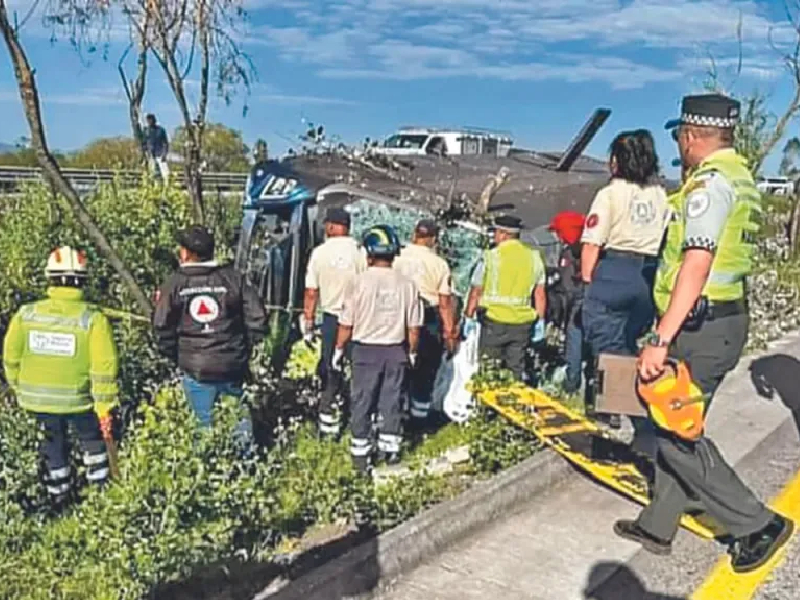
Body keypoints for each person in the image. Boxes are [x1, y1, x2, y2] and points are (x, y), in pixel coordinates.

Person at [614, 93, 793, 574]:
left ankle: (756, 524)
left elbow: (698, 261)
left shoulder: (710, 186)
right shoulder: (741, 177)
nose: (679, 145)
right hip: (721, 318)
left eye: (679, 136)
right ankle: (659, 522)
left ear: (692, 136)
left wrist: (660, 339)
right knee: (677, 423)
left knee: (673, 431)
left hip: (701, 325)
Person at [3, 246, 119, 510]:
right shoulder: (93, 320)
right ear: (83, 280)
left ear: (49, 278)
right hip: (80, 402)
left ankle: (59, 501)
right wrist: (104, 410)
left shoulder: (26, 315)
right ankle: (99, 498)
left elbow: (11, 357)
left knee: (52, 449)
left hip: (35, 402)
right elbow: (104, 370)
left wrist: (19, 387)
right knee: (92, 444)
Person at [580, 129, 670, 438]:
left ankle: (614, 413)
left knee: (606, 342)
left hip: (615, 268)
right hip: (647, 274)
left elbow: (592, 244)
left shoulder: (610, 194)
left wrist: (588, 283)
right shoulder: (660, 195)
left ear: (617, 161)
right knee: (629, 340)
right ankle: (636, 404)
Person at [152, 225, 268, 436]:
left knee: (203, 425)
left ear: (185, 253)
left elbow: (161, 327)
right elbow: (258, 319)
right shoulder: (234, 278)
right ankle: (246, 464)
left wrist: (177, 356)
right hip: (232, 365)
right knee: (239, 421)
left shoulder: (174, 284)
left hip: (196, 369)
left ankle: (209, 463)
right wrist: (243, 349)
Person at [333, 224, 422, 472]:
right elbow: (413, 327)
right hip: (396, 350)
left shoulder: (358, 282)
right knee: (391, 400)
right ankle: (390, 450)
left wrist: (339, 350)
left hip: (365, 351)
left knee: (362, 401)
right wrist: (412, 351)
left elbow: (346, 323)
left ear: (369, 253)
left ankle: (361, 456)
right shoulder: (408, 284)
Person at [302, 207, 367, 436]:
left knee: (331, 369)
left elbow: (311, 292)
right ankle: (360, 417)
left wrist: (308, 323)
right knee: (358, 368)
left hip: (332, 319)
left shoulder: (319, 253)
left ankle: (329, 423)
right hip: (359, 319)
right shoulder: (360, 251)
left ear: (330, 226)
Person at [464, 215, 546, 382]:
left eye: (495, 232)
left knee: (489, 370)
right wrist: (540, 321)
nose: (494, 236)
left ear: (504, 234)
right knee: (515, 371)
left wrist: (468, 316)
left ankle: (488, 407)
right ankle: (511, 404)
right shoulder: (533, 258)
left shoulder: (491, 257)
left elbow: (476, 291)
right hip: (522, 324)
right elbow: (540, 294)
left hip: (494, 321)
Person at [393, 218, 458, 419]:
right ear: (434, 239)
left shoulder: (398, 256)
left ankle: (397, 412)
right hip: (428, 316)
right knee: (426, 368)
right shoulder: (439, 264)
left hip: (399, 314)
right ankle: (419, 418)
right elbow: (445, 302)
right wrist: (449, 332)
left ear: (414, 235)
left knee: (399, 366)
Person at [548, 211, 587, 394]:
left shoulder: (571, 251)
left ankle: (573, 382)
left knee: (574, 339)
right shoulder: (594, 247)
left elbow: (568, 286)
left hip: (578, 303)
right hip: (595, 301)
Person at [144, 113, 170, 184]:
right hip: (151, 155)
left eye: (151, 120)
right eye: (148, 120)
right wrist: (146, 153)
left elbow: (165, 143)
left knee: (165, 174)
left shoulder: (161, 130)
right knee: (153, 173)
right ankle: (156, 187)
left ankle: (166, 187)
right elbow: (145, 143)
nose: (149, 122)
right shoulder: (146, 131)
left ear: (154, 120)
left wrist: (164, 154)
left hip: (160, 154)